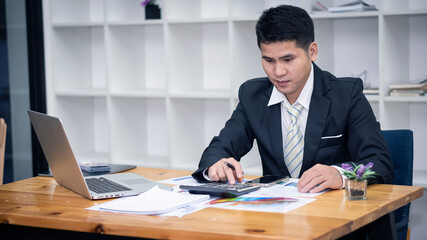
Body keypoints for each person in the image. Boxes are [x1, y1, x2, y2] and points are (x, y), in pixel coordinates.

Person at [192, 4, 393, 194]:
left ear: (312, 52)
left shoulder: (346, 94)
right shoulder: (252, 96)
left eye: (288, 60)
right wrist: (215, 165)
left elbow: (379, 162)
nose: (278, 72)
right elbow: (220, 147)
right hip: (275, 216)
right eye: (268, 60)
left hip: (334, 215)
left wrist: (340, 174)